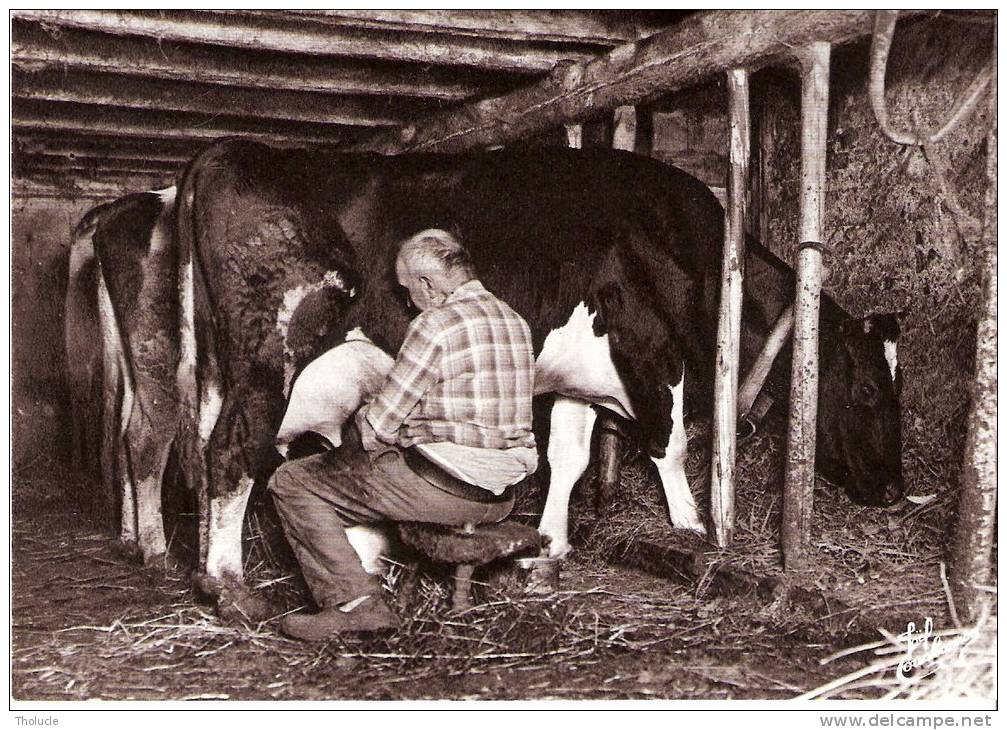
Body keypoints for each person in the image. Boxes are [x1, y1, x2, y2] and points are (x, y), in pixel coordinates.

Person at [268, 229, 538, 641]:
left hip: (446, 492)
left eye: (408, 290)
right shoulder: (513, 320)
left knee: (294, 482)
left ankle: (357, 605)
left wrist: (355, 434)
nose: (408, 302)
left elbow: (379, 426)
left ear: (429, 285)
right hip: (502, 497)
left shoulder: (435, 324)